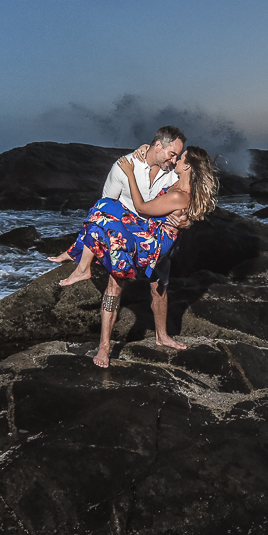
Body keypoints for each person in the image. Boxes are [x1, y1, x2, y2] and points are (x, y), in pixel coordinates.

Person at [55, 146, 219, 368]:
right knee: (154, 285)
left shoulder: (180, 194)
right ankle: (111, 344)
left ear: (188, 166)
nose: (175, 160)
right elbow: (157, 164)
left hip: (153, 243)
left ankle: (156, 336)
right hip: (149, 233)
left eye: (180, 158)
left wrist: (130, 173)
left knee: (145, 281)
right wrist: (145, 151)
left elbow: (142, 207)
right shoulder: (174, 182)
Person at [50, 126, 186, 349]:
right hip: (126, 236)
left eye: (178, 157)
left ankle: (162, 336)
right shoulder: (124, 166)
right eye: (172, 154)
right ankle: (104, 345)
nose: (174, 160)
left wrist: (186, 220)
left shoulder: (173, 174)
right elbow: (105, 208)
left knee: (159, 286)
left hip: (155, 234)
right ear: (158, 145)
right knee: (114, 286)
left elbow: (191, 196)